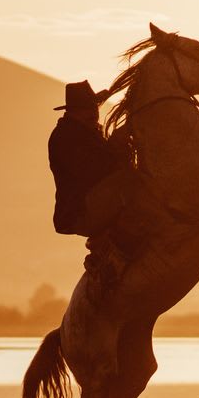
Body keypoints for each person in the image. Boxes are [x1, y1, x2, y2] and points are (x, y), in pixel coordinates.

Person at [47, 80, 130, 284]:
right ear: (76, 112)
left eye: (94, 107)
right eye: (89, 108)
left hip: (87, 205)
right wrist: (118, 146)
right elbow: (94, 171)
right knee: (132, 182)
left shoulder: (82, 133)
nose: (95, 112)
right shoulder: (65, 138)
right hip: (81, 210)